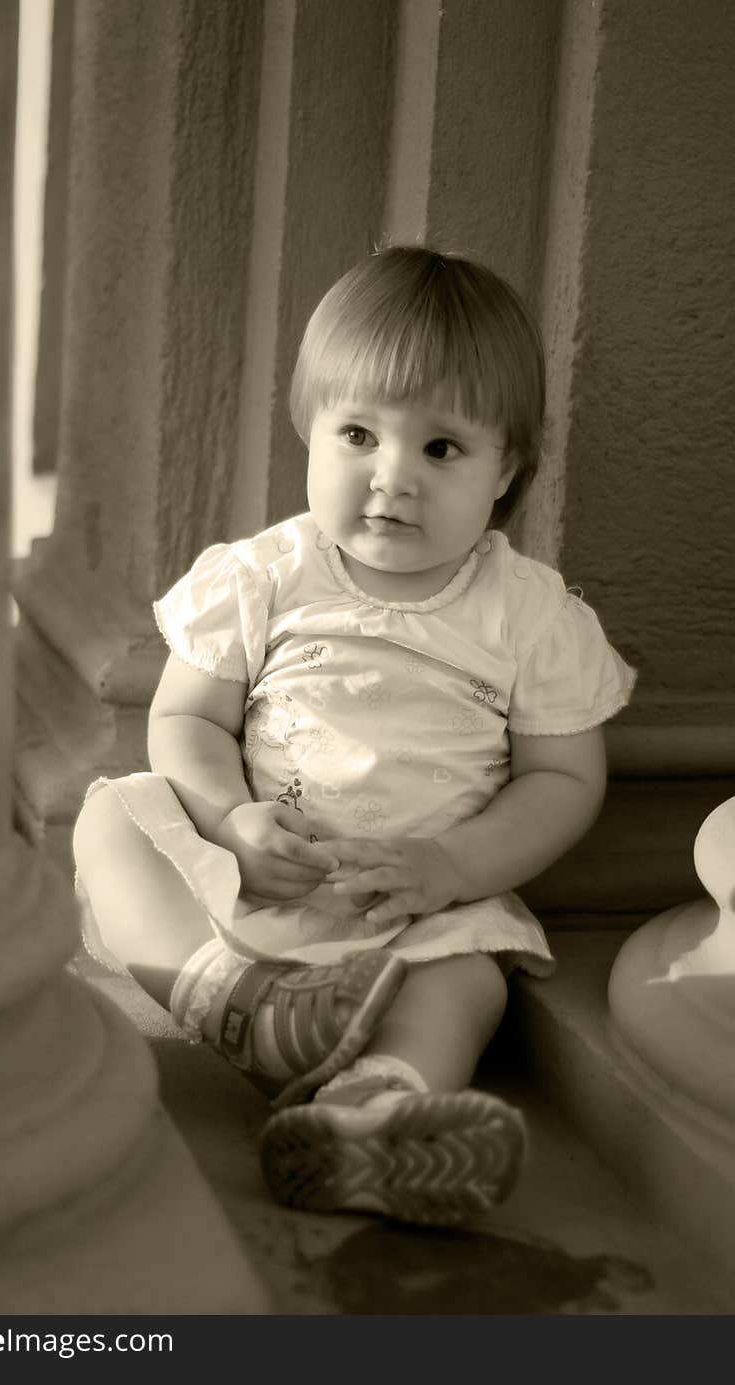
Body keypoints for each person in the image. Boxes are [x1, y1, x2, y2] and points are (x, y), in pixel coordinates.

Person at [73, 245, 636, 1226]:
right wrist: (231, 817)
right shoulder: (265, 575)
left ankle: (370, 1114)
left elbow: (561, 779)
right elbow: (185, 717)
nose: (392, 478)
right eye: (359, 434)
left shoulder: (530, 614)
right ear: (310, 433)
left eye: (441, 449)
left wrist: (450, 862)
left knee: (470, 977)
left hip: (413, 911)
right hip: (249, 889)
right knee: (112, 819)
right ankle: (232, 999)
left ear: (508, 468)